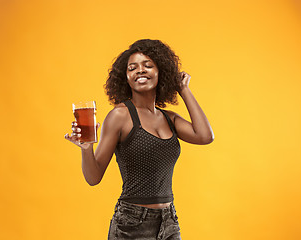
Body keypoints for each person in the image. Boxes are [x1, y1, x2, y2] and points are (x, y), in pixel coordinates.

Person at [65, 39, 214, 240]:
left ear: (161, 72)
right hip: (131, 223)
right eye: (132, 68)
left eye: (148, 66)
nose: (140, 71)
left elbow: (205, 136)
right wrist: (86, 149)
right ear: (125, 78)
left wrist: (183, 89)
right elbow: (93, 177)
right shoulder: (120, 116)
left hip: (169, 221)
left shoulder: (169, 118)